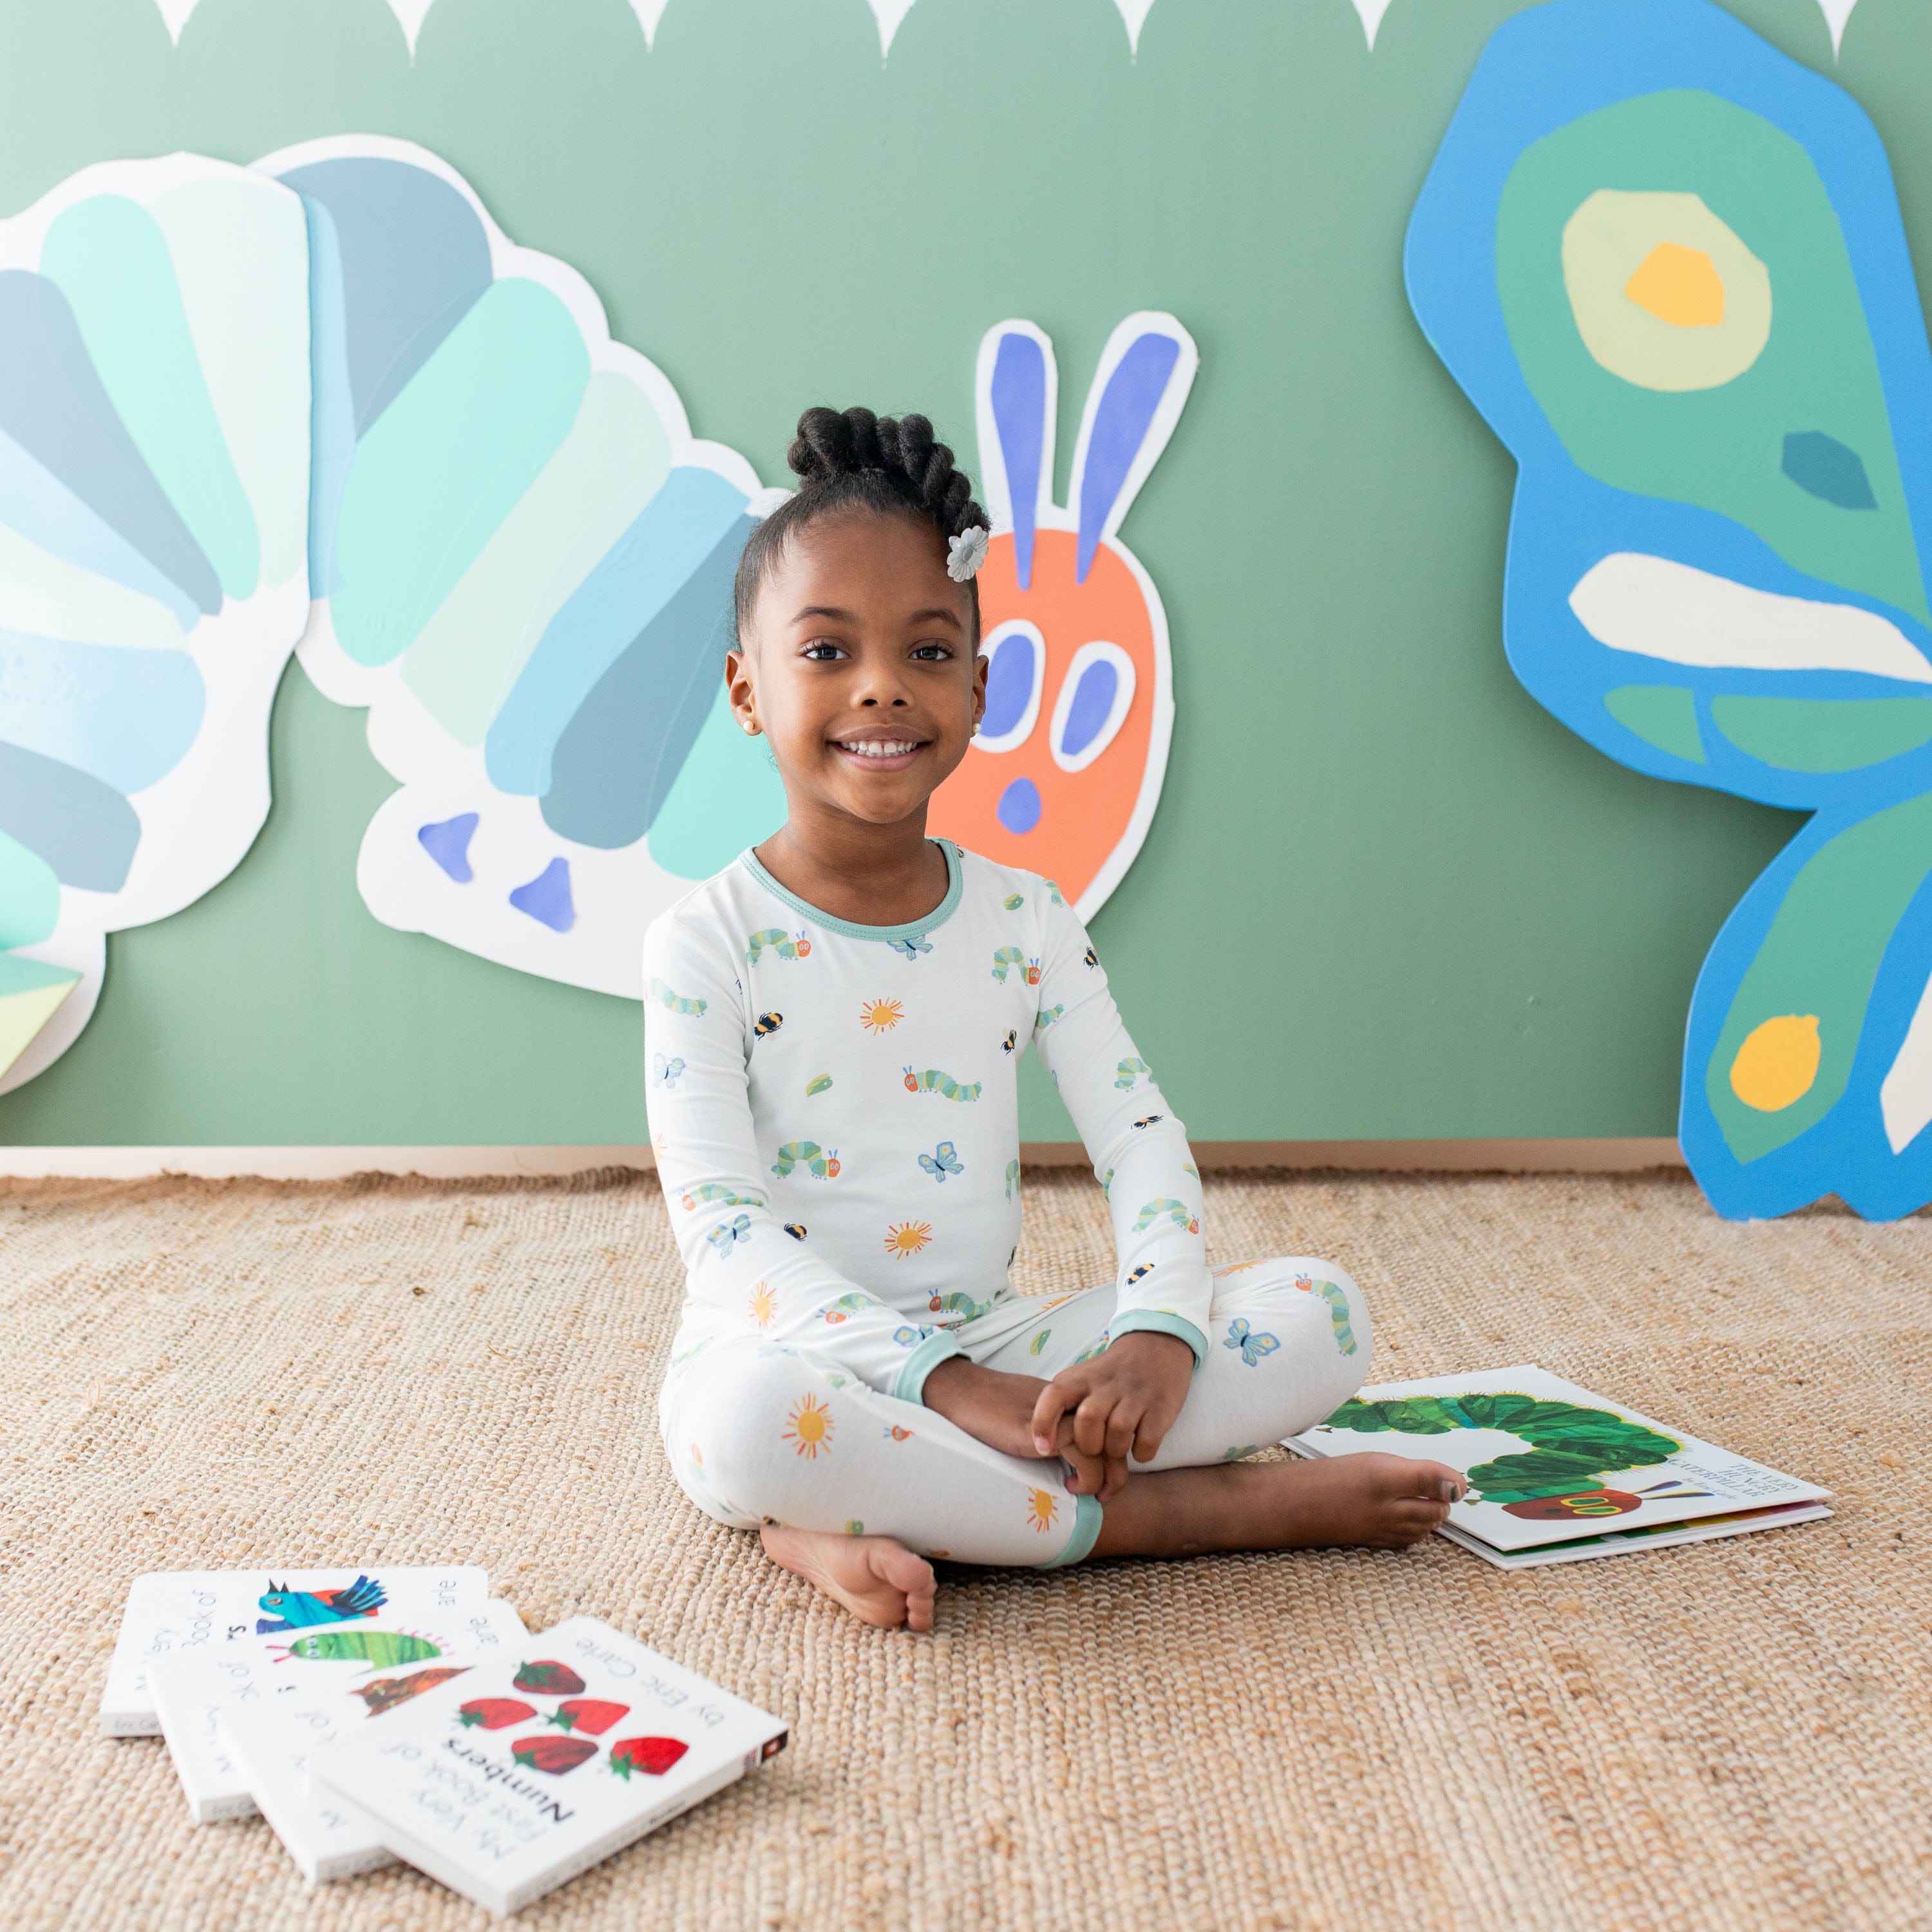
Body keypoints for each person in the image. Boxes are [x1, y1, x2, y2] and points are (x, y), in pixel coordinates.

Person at [644, 405, 1463, 1631]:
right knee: (745, 1432)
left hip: (999, 1343)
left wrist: (1159, 1331)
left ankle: (861, 1520)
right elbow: (722, 1237)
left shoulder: (1026, 915)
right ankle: (1187, 1516)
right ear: (745, 689)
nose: (881, 687)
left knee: (1324, 1313)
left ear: (978, 688)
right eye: (825, 653)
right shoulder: (703, 943)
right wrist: (943, 1383)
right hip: (801, 1362)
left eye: (927, 652)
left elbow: (1140, 1135)